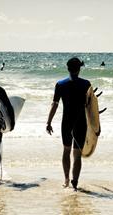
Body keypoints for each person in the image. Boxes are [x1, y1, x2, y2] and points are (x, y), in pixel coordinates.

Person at [46, 57, 90, 190]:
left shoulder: (60, 84)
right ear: (79, 69)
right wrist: (95, 126)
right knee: (77, 154)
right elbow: (90, 107)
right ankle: (75, 182)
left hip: (66, 122)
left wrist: (49, 122)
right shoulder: (86, 84)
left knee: (66, 150)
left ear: (67, 68)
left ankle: (66, 180)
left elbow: (55, 104)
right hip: (81, 123)